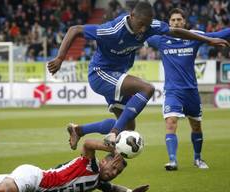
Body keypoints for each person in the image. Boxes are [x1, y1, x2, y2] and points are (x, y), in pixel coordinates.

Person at [47, 1, 229, 149]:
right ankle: (113, 133)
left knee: (129, 126)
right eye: (141, 24)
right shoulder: (112, 30)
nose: (143, 30)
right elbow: (75, 30)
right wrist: (60, 58)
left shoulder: (150, 26)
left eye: (147, 25)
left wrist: (208, 39)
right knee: (147, 88)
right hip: (100, 74)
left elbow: (175, 31)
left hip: (116, 74)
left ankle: (79, 130)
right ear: (132, 16)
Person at [145, 8, 230, 170]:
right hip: (172, 92)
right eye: (173, 20)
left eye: (179, 20)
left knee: (196, 126)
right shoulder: (160, 39)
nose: (176, 22)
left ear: (184, 22)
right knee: (171, 123)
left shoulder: (194, 36)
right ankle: (172, 161)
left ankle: (198, 159)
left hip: (191, 92)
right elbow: (140, 35)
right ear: (169, 23)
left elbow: (214, 36)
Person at [0, 117, 149, 192]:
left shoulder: (97, 181)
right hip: (34, 178)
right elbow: (88, 144)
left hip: (35, 189)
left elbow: (113, 189)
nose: (113, 173)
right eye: (114, 167)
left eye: (117, 173)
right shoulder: (91, 165)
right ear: (104, 161)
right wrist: (114, 149)